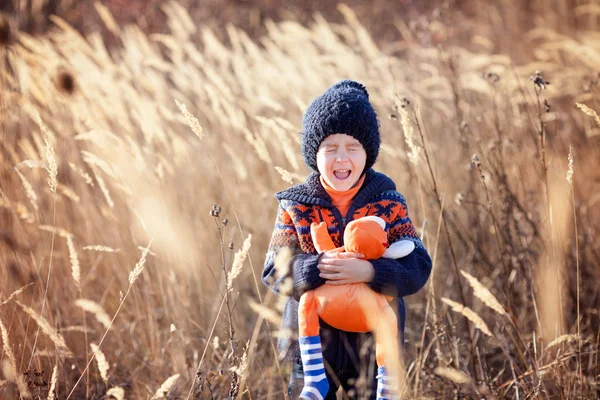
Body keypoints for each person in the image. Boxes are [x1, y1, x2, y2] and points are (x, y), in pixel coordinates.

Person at [262, 80, 432, 399]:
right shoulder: (295, 206)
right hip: (312, 346)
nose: (342, 159)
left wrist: (372, 273)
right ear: (314, 153)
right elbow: (273, 270)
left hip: (371, 344)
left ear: (368, 153)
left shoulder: (388, 202)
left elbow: (418, 266)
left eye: (353, 147)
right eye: (330, 147)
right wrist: (316, 267)